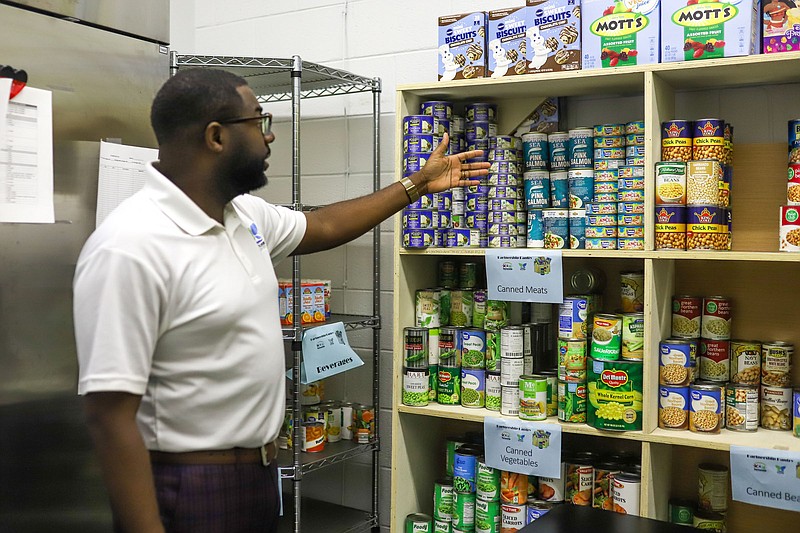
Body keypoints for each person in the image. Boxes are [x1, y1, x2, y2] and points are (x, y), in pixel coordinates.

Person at [73, 67, 488, 533]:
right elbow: (108, 417)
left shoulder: (242, 214)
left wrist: (416, 185)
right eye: (258, 122)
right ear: (215, 136)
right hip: (186, 484)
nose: (269, 138)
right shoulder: (131, 246)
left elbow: (326, 225)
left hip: (256, 474)